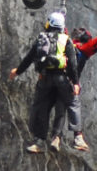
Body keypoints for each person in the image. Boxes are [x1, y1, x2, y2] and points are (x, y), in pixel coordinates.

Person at [9, 11, 81, 154]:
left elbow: (29, 59)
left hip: (45, 79)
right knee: (67, 105)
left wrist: (17, 71)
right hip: (62, 79)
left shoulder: (41, 39)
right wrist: (76, 83)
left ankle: (39, 141)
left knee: (41, 108)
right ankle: (65, 137)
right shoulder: (66, 40)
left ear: (49, 24)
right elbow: (72, 64)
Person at [63, 8, 97, 151]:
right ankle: (77, 136)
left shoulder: (70, 45)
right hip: (71, 84)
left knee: (59, 110)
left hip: (56, 79)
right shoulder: (82, 48)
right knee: (73, 106)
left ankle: (55, 137)